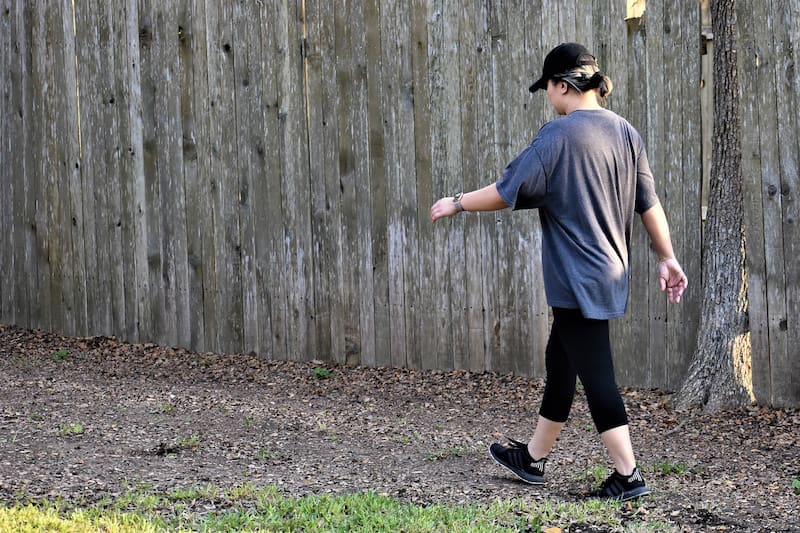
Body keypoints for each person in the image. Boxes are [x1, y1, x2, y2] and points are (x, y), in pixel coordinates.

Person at [429, 42, 688, 501]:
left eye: (548, 87)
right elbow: (649, 205)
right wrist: (667, 257)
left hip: (575, 278)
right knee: (561, 362)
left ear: (562, 85)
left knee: (598, 376)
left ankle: (628, 476)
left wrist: (457, 202)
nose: (548, 96)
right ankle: (533, 458)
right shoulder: (626, 134)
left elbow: (507, 189)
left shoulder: (557, 137)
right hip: (609, 273)